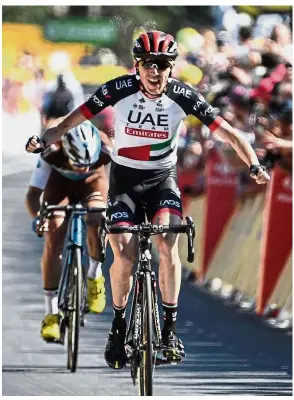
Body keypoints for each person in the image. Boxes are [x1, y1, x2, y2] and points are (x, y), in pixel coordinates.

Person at [26, 30, 270, 367]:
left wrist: (254, 165)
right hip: (124, 181)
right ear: (136, 66)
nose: (154, 72)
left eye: (162, 65)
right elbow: (70, 121)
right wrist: (42, 139)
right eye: (147, 65)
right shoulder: (117, 89)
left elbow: (231, 133)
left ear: (172, 67)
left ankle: (168, 330)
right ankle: (117, 327)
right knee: (122, 254)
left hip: (162, 181)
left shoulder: (184, 95)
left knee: (168, 245)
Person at [25, 121, 110, 342]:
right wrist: (38, 218)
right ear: (65, 148)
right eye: (77, 162)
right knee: (53, 232)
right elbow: (33, 195)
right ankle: (51, 313)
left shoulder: (106, 149)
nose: (82, 168)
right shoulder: (51, 151)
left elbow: (118, 188)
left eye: (86, 162)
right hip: (59, 185)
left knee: (97, 218)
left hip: (94, 183)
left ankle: (94, 273)